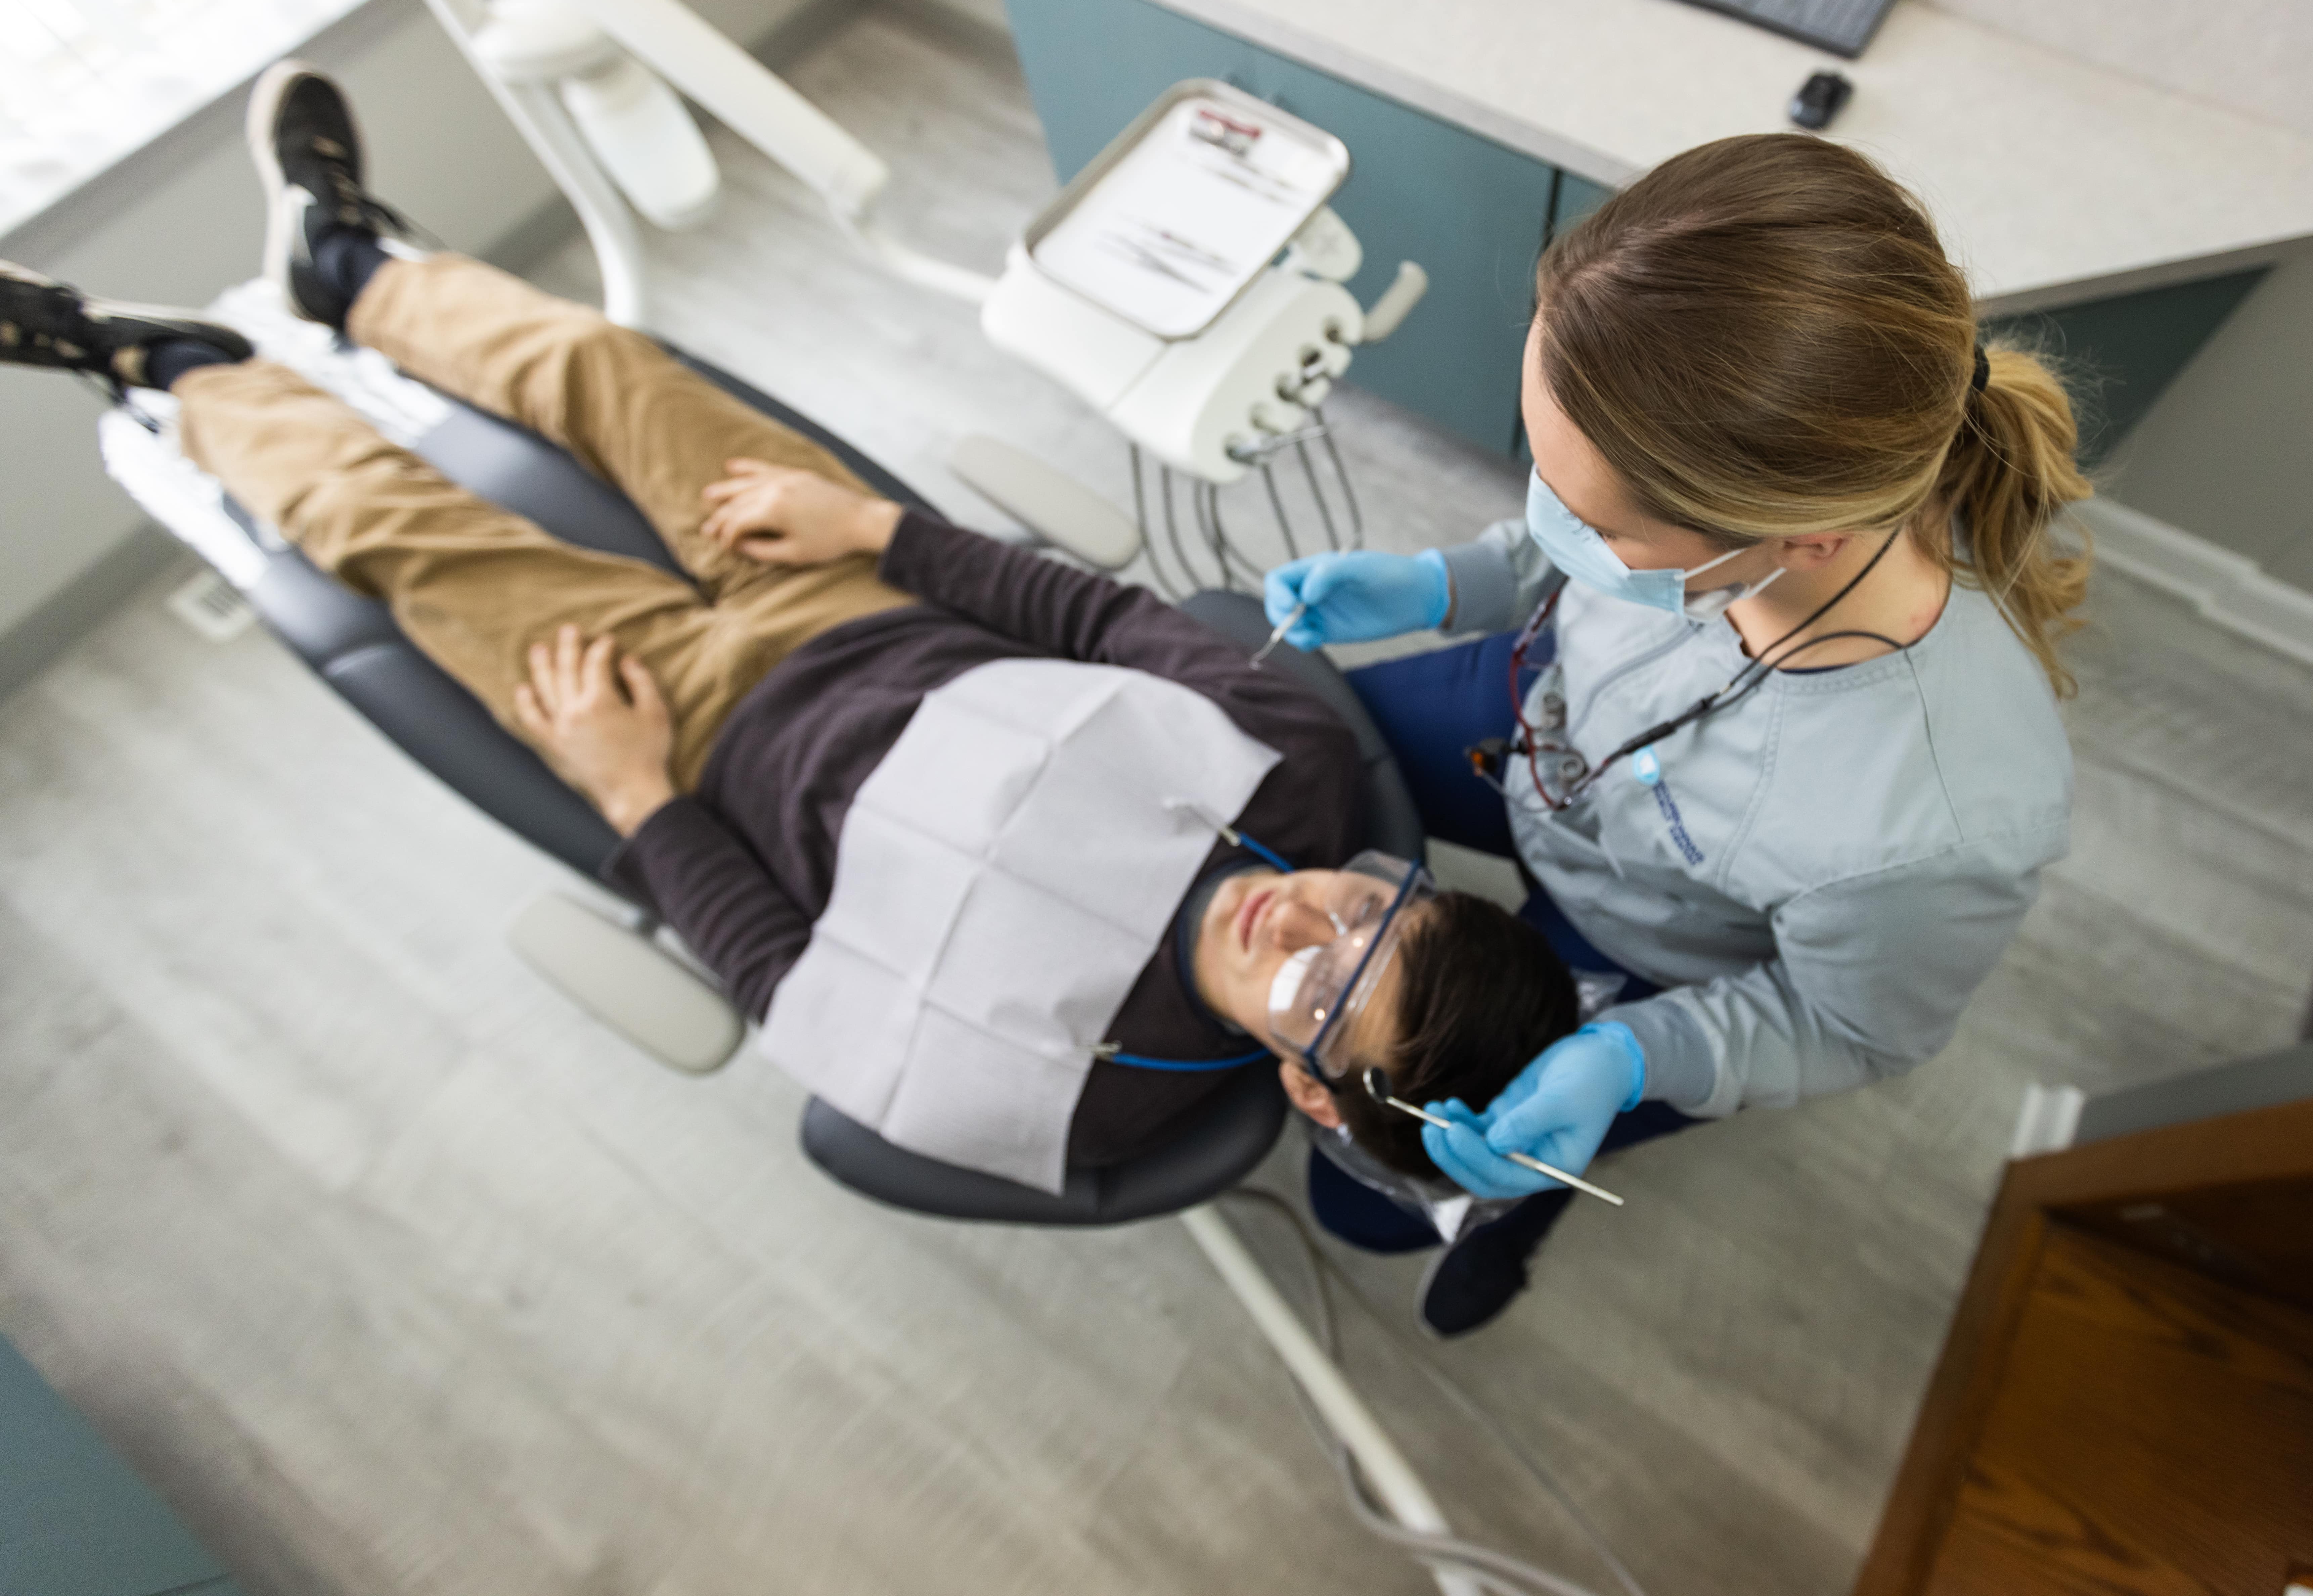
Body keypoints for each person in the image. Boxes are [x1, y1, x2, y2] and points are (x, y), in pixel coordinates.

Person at [0, 61, 1573, 1197]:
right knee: (617, 376)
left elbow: (778, 986)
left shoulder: (1085, 1101)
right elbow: (1087, 609)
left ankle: (166, 369)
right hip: (849, 597)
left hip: (687, 727)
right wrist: (873, 530)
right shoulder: (1291, 773)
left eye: (1320, 992)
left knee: (392, 534)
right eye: (1367, 915)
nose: (1298, 928)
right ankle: (351, 267)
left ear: (1304, 1084)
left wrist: (635, 797)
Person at [1264, 133, 2091, 1333]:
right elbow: (1578, 553)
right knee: (1298, 747)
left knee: (1375, 1207)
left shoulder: (1931, 833)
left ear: (1796, 540)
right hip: (1544, 726)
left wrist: (1637, 1059)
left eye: (1594, 522)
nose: (1552, 528)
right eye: (1544, 476)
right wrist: (1445, 584)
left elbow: (1852, 1026)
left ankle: (1522, 1202)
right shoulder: (1718, 520)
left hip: (1642, 938)